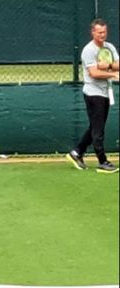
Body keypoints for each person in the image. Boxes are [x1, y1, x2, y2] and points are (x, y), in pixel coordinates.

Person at [67, 18, 119, 174]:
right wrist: (113, 74)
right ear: (93, 32)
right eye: (99, 32)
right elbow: (94, 73)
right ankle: (103, 162)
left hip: (105, 93)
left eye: (104, 32)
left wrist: (108, 66)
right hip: (93, 93)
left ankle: (76, 152)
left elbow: (118, 63)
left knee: (95, 127)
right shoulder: (88, 50)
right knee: (98, 130)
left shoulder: (109, 47)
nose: (102, 35)